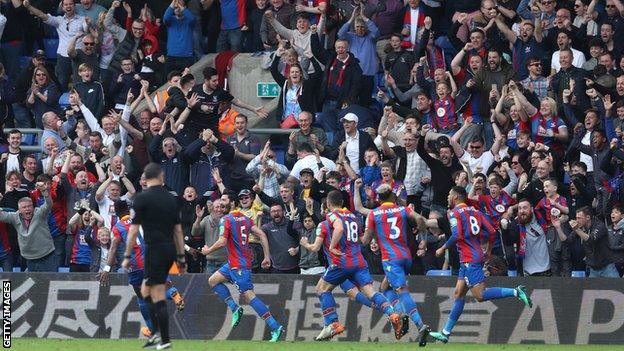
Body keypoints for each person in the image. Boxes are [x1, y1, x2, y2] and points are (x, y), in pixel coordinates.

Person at [428, 186, 533, 344]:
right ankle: (445, 332)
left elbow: (456, 235)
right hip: (471, 257)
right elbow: (491, 231)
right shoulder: (476, 212)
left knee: (480, 295)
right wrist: (488, 250)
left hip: (469, 258)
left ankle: (516, 292)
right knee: (458, 294)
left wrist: (443, 248)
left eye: (449, 194)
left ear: (456, 197)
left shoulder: (453, 213)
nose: (447, 197)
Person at [299, 190, 402, 341]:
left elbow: (316, 247)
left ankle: (333, 323)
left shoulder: (327, 221)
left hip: (340, 263)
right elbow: (363, 240)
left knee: (322, 289)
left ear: (328, 205)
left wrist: (306, 244)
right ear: (342, 203)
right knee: (370, 292)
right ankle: (392, 313)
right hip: (358, 262)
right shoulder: (354, 218)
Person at [201, 195, 285, 342]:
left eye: (224, 201)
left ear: (232, 203)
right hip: (235, 263)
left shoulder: (226, 219)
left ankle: (275, 326)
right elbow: (261, 234)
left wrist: (208, 250)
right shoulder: (245, 218)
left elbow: (222, 241)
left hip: (238, 265)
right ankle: (235, 308)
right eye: (220, 201)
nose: (221, 204)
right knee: (212, 280)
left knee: (249, 296)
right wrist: (266, 256)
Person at [121, 164, 187, 349]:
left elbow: (133, 231)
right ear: (160, 177)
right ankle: (158, 335)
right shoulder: (170, 199)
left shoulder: (142, 199)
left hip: (153, 249)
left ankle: (162, 339)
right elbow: (178, 231)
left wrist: (127, 256)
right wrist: (181, 258)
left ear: (146, 178)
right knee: (147, 290)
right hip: (169, 250)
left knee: (154, 293)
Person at [360, 184, 430, 345]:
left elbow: (365, 241)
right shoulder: (401, 209)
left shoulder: (374, 214)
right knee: (385, 288)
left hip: (391, 259)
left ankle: (420, 325)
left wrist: (354, 238)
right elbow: (419, 218)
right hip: (406, 256)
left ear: (378, 199)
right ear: (392, 196)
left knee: (401, 291)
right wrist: (423, 239)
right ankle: (400, 314)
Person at [0, 182, 57, 272]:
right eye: (24, 207)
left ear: (33, 207)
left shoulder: (39, 213)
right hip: (29, 259)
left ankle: (7, 286)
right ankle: (7, 287)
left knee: (49, 284)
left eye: (29, 206)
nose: (27, 209)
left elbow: (48, 205)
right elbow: (2, 215)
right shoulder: (15, 217)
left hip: (47, 257)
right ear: (19, 210)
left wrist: (45, 192)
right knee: (13, 281)